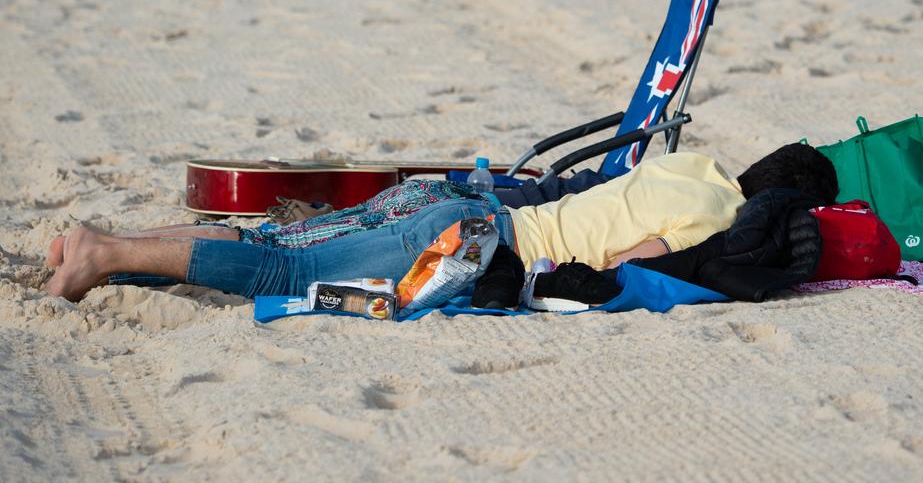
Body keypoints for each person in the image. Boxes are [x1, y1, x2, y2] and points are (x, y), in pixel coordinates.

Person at [45, 144, 838, 304]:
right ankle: (102, 253)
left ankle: (109, 249)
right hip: (478, 244)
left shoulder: (686, 161)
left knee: (275, 242)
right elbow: (638, 258)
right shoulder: (722, 215)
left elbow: (609, 195)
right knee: (285, 274)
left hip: (458, 204)